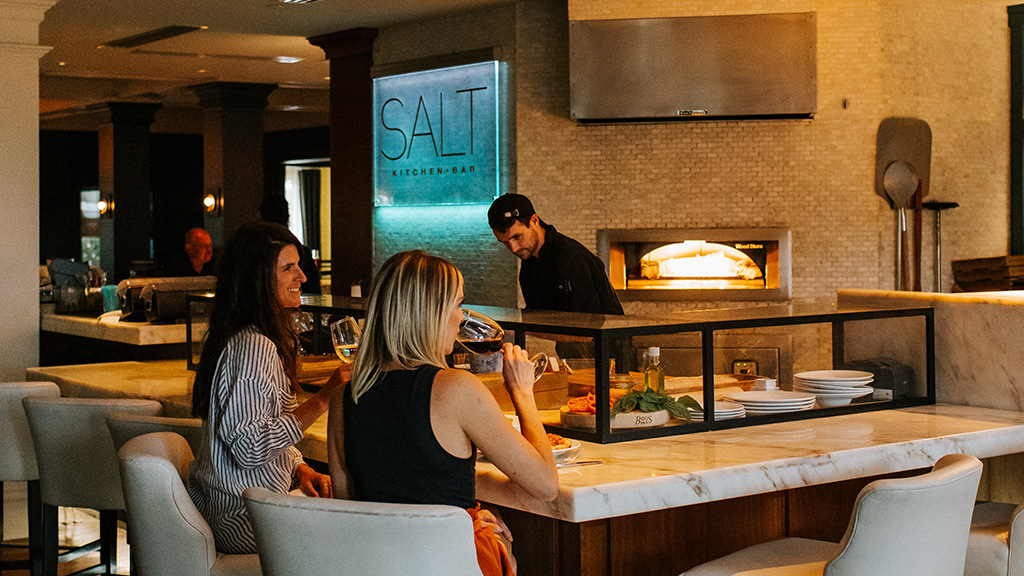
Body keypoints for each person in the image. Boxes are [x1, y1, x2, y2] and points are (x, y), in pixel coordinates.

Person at [327, 250, 558, 576]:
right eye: (458, 304)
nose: (462, 317)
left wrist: (470, 513)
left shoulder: (343, 398)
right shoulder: (456, 388)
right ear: (430, 313)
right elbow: (546, 484)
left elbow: (352, 510)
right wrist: (522, 392)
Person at [188, 221, 346, 554]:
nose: (302, 277)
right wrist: (323, 398)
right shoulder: (254, 347)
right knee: (356, 537)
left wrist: (300, 469)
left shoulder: (244, 338)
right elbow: (248, 448)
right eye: (289, 267)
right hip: (242, 519)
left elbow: (260, 429)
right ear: (257, 280)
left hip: (238, 509)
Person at [487, 193, 623, 357]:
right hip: (573, 353)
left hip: (608, 356)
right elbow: (537, 316)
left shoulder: (570, 258)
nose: (514, 248)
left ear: (534, 221)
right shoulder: (529, 263)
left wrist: (516, 326)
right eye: (505, 242)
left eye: (517, 237)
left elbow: (586, 331)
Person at [258, 194, 322, 294]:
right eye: (287, 268)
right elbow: (314, 292)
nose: (302, 278)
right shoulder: (301, 252)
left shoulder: (298, 251)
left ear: (259, 216)